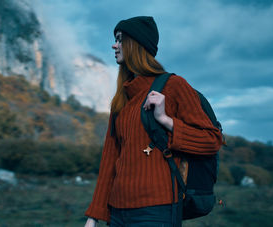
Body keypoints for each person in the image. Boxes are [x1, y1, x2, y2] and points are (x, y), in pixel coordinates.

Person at [84, 16, 222, 227]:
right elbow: (109, 160)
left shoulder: (174, 86)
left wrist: (165, 120)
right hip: (118, 214)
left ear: (136, 44)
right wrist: (93, 217)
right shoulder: (121, 99)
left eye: (120, 39)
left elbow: (211, 140)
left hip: (157, 211)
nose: (114, 45)